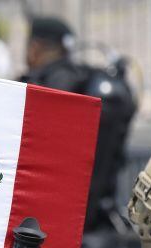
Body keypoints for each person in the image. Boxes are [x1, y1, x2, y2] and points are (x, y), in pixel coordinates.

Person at [21, 17, 136, 234]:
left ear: (34, 48)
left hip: (40, 222)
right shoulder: (88, 80)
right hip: (98, 220)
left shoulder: (39, 84)